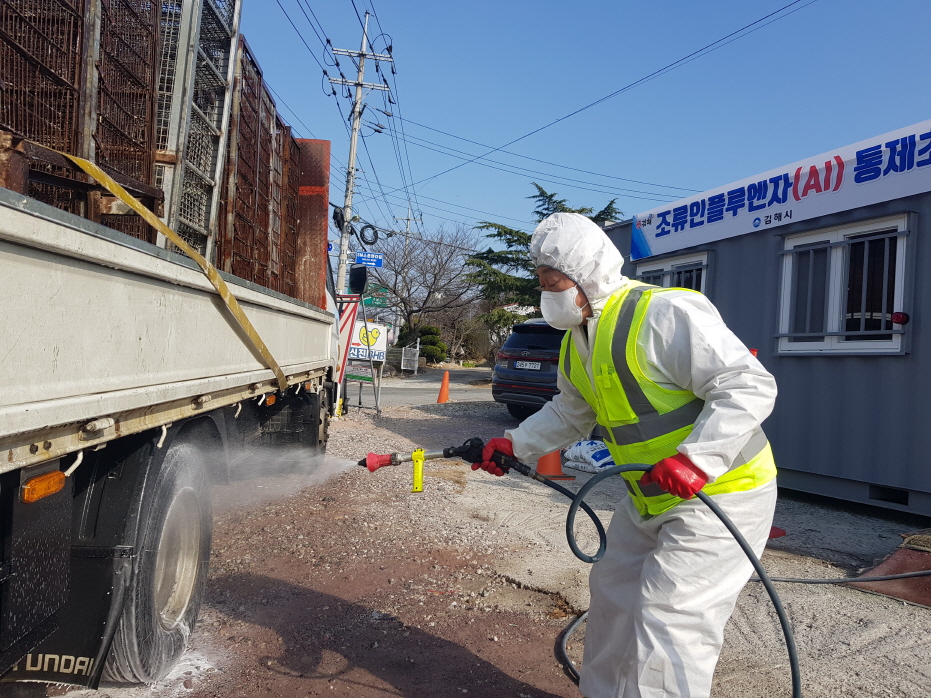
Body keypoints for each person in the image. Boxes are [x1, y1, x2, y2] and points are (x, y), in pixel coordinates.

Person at [471, 212, 778, 698]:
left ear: (586, 275)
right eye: (543, 284)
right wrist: (514, 444)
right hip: (651, 492)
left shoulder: (662, 314)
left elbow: (748, 384)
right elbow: (570, 413)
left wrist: (697, 460)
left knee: (671, 617)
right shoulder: (577, 342)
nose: (548, 294)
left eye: (554, 283)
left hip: (722, 491)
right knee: (613, 596)